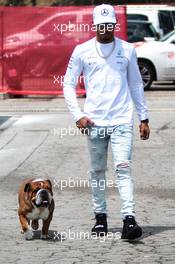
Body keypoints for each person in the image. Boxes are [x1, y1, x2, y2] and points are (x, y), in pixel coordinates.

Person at [63, 4, 150, 240]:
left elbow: (135, 84)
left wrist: (143, 117)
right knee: (97, 171)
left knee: (123, 169)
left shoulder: (127, 49)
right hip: (94, 122)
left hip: (122, 120)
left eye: (109, 25)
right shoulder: (82, 50)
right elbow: (68, 84)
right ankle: (100, 218)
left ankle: (129, 220)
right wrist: (77, 115)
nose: (104, 29)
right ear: (94, 25)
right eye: (100, 25)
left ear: (114, 25)